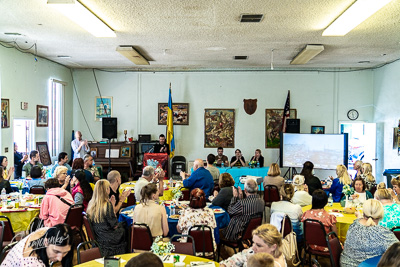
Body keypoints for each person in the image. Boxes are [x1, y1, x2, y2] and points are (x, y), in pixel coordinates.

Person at [340, 199, 398, 267]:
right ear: (381, 215)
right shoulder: (382, 233)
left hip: (345, 264)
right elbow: (397, 251)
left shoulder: (353, 225)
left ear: (364, 213)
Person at [1, 223, 74, 267]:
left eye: (65, 252)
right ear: (46, 242)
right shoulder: (32, 263)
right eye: (56, 251)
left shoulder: (45, 232)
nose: (60, 259)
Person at [86, 179, 127, 257]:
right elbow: (114, 225)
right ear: (106, 190)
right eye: (108, 188)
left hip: (98, 236)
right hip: (108, 238)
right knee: (125, 226)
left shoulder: (91, 204)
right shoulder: (106, 205)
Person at [219, 224, 286, 267]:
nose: (253, 248)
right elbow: (240, 257)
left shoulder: (273, 264)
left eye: (259, 245)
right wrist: (224, 265)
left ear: (273, 247)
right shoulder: (258, 252)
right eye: (253, 242)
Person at [177, 188, 217, 255]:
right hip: (208, 250)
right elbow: (214, 227)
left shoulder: (186, 213)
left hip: (189, 250)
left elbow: (179, 230)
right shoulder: (210, 212)